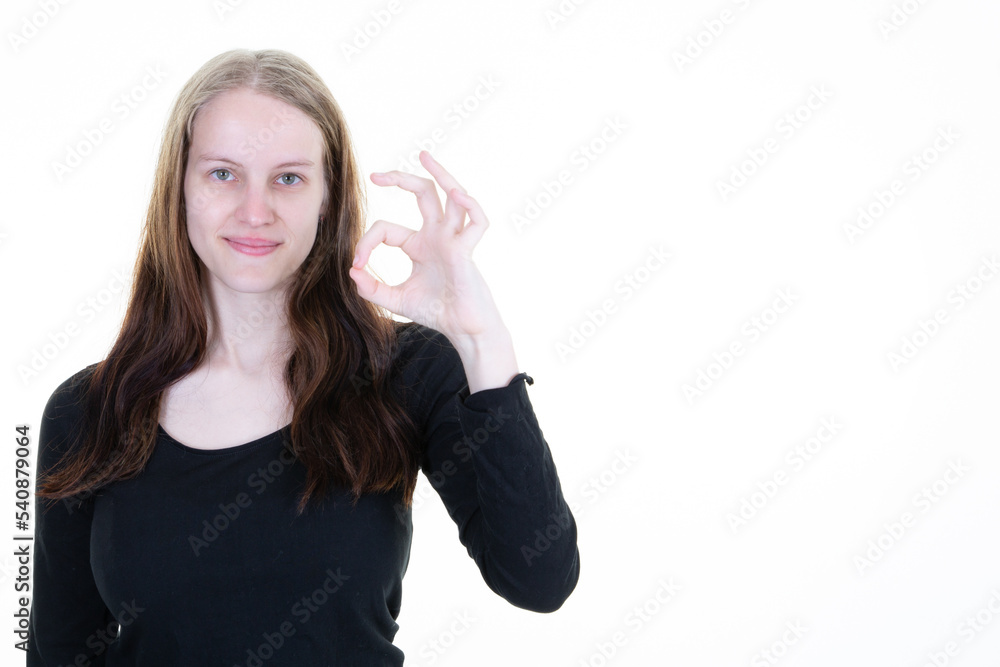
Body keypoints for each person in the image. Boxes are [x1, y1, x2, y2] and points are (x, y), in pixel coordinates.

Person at [26, 49, 579, 666]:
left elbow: (539, 579)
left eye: (288, 177)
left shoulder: (407, 371)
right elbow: (59, 653)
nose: (255, 211)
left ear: (326, 196)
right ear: (179, 188)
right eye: (222, 174)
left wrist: (481, 339)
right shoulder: (87, 412)